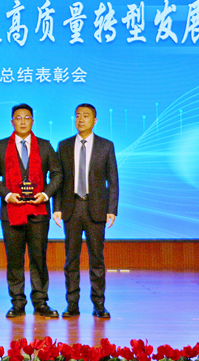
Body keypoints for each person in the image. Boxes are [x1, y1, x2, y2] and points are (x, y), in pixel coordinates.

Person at [0, 103, 63, 318]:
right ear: (12, 122)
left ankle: (40, 302)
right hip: (11, 211)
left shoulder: (45, 146)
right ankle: (17, 303)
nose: (22, 121)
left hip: (39, 211)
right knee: (15, 260)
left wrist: (46, 194)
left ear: (33, 121)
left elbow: (57, 173)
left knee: (39, 259)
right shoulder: (1, 146)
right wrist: (7, 195)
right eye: (18, 118)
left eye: (26, 117)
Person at [53, 104, 118, 319]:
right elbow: (58, 179)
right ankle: (72, 304)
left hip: (96, 208)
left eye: (86, 116)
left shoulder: (106, 146)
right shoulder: (63, 145)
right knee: (71, 260)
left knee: (96, 259)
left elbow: (113, 181)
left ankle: (99, 304)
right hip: (71, 208)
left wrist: (112, 209)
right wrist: (57, 207)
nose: (81, 119)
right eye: (78, 116)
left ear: (95, 120)